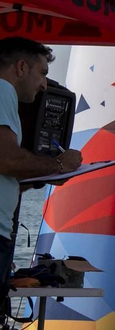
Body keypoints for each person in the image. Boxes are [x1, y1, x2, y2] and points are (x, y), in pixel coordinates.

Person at [0, 39, 83, 287]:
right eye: (43, 73)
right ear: (22, 67)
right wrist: (60, 165)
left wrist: (41, 179)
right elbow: (6, 159)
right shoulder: (3, 89)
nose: (44, 85)